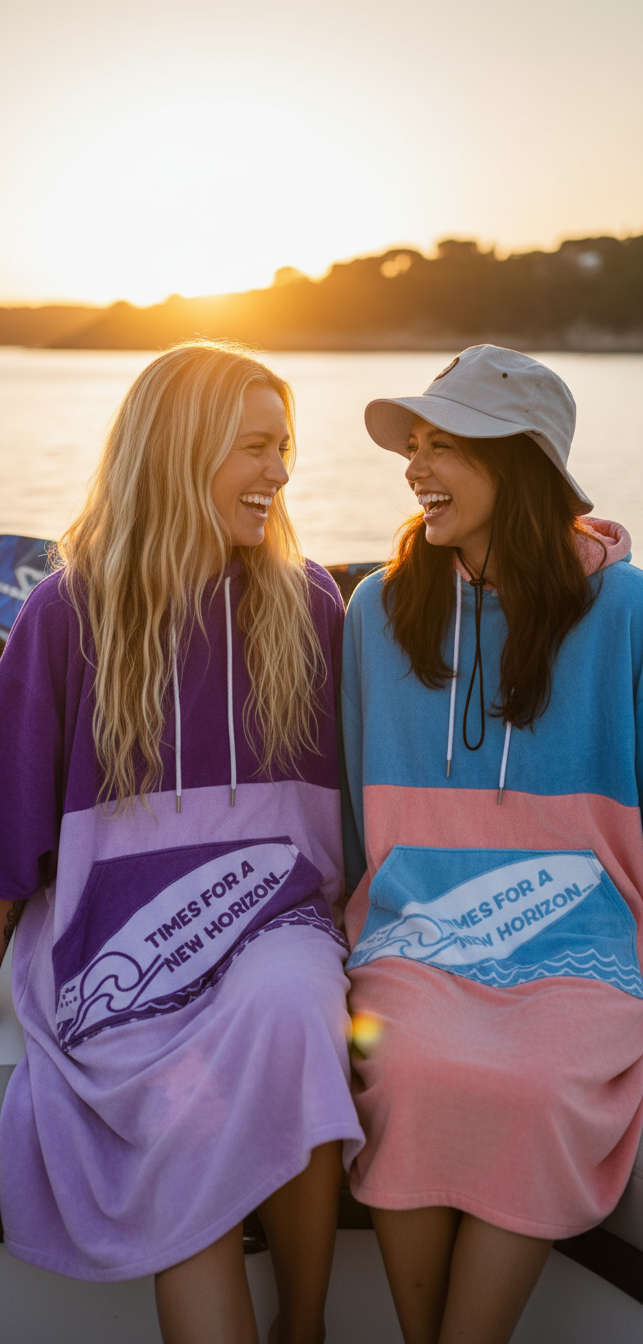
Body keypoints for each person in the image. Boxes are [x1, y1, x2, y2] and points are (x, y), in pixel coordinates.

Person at [0, 340, 364, 1344]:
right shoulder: (67, 609)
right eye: (256, 446)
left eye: (286, 448)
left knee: (297, 1008)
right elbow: (6, 814)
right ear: (180, 450)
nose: (279, 471)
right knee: (176, 1108)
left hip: (277, 917)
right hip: (119, 930)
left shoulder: (309, 600)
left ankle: (306, 1326)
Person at [340, 345, 643, 1344]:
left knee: (540, 1087)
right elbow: (354, 806)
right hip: (416, 924)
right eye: (413, 446)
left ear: (520, 462)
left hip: (585, 933)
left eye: (444, 446)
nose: (415, 467)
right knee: (407, 1074)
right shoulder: (380, 610)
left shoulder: (626, 610)